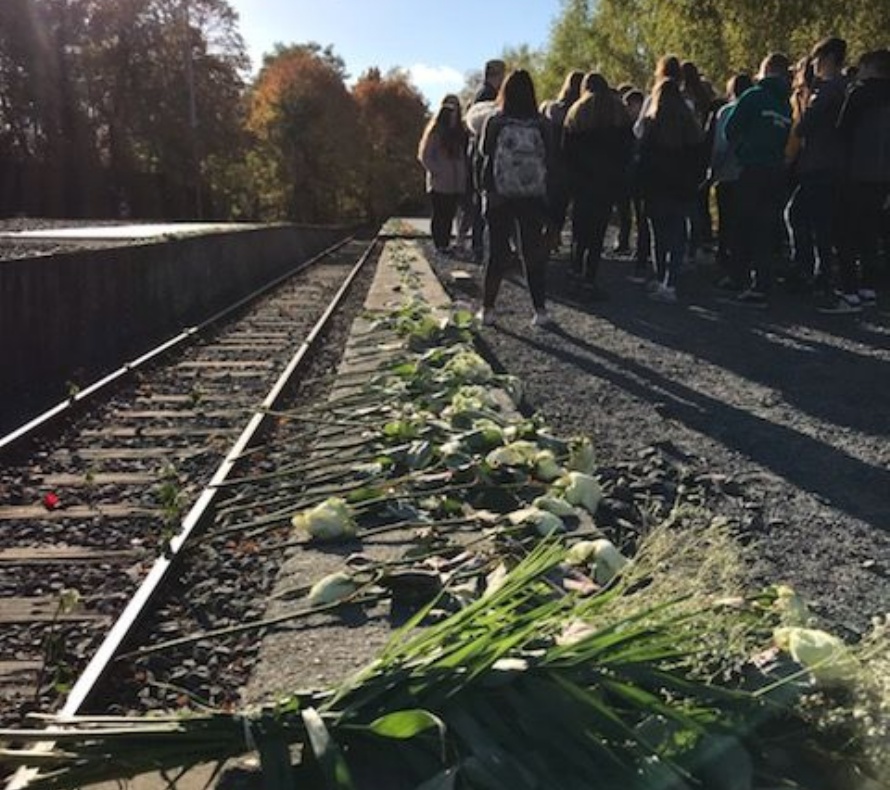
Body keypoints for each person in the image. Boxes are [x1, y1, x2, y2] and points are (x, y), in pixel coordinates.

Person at [478, 69, 554, 327]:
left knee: (497, 251)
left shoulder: (496, 121)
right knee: (531, 251)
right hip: (532, 194)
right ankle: (540, 310)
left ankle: (488, 309)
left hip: (500, 193)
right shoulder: (541, 123)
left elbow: (484, 152)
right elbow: (551, 156)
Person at [725, 53, 793, 307]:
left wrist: (742, 148)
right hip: (776, 170)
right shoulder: (786, 105)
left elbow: (730, 128)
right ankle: (762, 280)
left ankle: (741, 277)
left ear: (766, 69)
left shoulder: (753, 96)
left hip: (752, 167)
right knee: (765, 226)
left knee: (744, 223)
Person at [786, 37, 848, 304]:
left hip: (820, 164)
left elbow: (804, 126)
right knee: (811, 218)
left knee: (808, 219)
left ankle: (817, 275)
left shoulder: (828, 91)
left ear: (829, 58)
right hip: (827, 163)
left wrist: (803, 100)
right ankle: (815, 272)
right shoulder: (841, 89)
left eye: (818, 58)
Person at [563, 72, 633, 295]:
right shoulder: (618, 111)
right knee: (598, 232)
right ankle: (590, 277)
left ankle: (575, 270)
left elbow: (566, 151)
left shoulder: (577, 112)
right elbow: (628, 148)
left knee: (579, 230)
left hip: (582, 181)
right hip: (607, 181)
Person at [637, 77, 705, 302]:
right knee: (677, 235)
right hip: (682, 187)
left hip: (656, 186)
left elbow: (642, 157)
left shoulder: (651, 123)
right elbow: (699, 158)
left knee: (658, 236)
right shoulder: (690, 125)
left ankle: (660, 277)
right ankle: (671, 282)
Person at [832, 49, 890, 311]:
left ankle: (849, 290)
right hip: (882, 176)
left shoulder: (859, 93)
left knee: (845, 232)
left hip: (854, 171)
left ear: (870, 67)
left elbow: (842, 130)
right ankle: (868, 287)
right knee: (870, 232)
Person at [710, 73, 753, 290]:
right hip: (750, 174)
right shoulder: (756, 109)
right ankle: (749, 268)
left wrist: (712, 171)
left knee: (727, 224)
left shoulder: (727, 112)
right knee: (747, 223)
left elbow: (720, 145)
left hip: (728, 175)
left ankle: (730, 269)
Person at [463, 60, 507, 264]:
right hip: (483, 154)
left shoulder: (480, 94)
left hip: (476, 152)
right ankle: (482, 248)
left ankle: (479, 246)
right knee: (483, 206)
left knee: (479, 204)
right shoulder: (489, 96)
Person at [417, 94, 469, 254]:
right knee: (440, 214)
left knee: (449, 214)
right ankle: (439, 244)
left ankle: (445, 243)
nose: (453, 112)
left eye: (455, 108)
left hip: (456, 182)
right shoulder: (435, 132)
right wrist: (437, 171)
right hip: (439, 182)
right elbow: (425, 156)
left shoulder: (460, 132)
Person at [540, 70, 584, 251]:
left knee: (551, 205)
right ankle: (563, 240)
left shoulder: (551, 109)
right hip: (573, 165)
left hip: (550, 164)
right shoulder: (582, 112)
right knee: (568, 207)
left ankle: (549, 238)